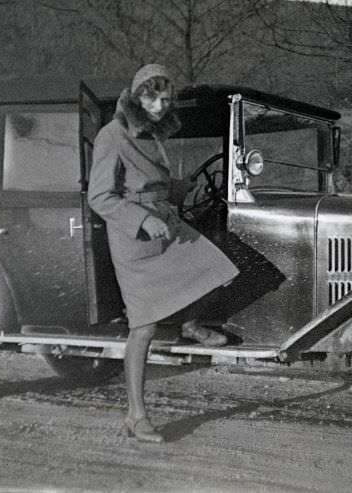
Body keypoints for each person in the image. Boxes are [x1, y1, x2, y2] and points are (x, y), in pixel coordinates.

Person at [88, 64, 239, 443]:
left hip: (164, 221)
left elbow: (145, 180)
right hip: (133, 236)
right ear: (137, 95)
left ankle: (190, 324)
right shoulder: (113, 134)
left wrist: (176, 188)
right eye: (152, 97)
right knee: (145, 328)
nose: (158, 105)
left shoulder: (154, 133)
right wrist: (141, 218)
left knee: (217, 267)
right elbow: (100, 197)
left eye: (165, 99)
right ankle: (137, 416)